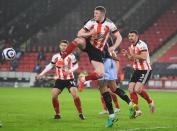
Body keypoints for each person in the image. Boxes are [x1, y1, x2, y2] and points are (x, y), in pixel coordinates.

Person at [61, 6, 122, 127]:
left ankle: (111, 115)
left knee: (102, 82)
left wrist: (113, 48)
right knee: (78, 40)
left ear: (103, 14)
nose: (94, 14)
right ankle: (62, 57)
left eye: (97, 13)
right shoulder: (91, 22)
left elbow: (119, 38)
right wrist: (89, 33)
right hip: (89, 46)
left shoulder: (109, 25)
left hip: (98, 55)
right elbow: (79, 33)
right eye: (94, 13)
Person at [36, 40, 85, 120]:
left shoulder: (71, 56)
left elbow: (76, 66)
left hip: (70, 79)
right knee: (54, 95)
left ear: (67, 47)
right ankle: (57, 114)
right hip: (60, 79)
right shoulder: (55, 57)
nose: (63, 47)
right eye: (62, 45)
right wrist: (41, 74)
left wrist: (70, 71)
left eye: (65, 46)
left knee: (75, 95)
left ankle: (80, 113)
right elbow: (50, 66)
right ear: (59, 46)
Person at [98, 37, 136, 119]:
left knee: (103, 89)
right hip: (111, 68)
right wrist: (115, 72)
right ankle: (130, 103)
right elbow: (116, 60)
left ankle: (111, 114)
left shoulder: (101, 46)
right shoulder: (111, 50)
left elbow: (116, 60)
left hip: (105, 66)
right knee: (114, 89)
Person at [121, 30, 155, 118]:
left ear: (137, 36)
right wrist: (127, 55)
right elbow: (132, 59)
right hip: (136, 70)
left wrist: (133, 54)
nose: (130, 38)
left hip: (145, 70)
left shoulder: (142, 44)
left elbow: (143, 57)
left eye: (132, 36)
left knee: (137, 90)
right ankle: (137, 110)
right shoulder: (132, 46)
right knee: (130, 89)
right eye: (129, 36)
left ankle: (150, 101)